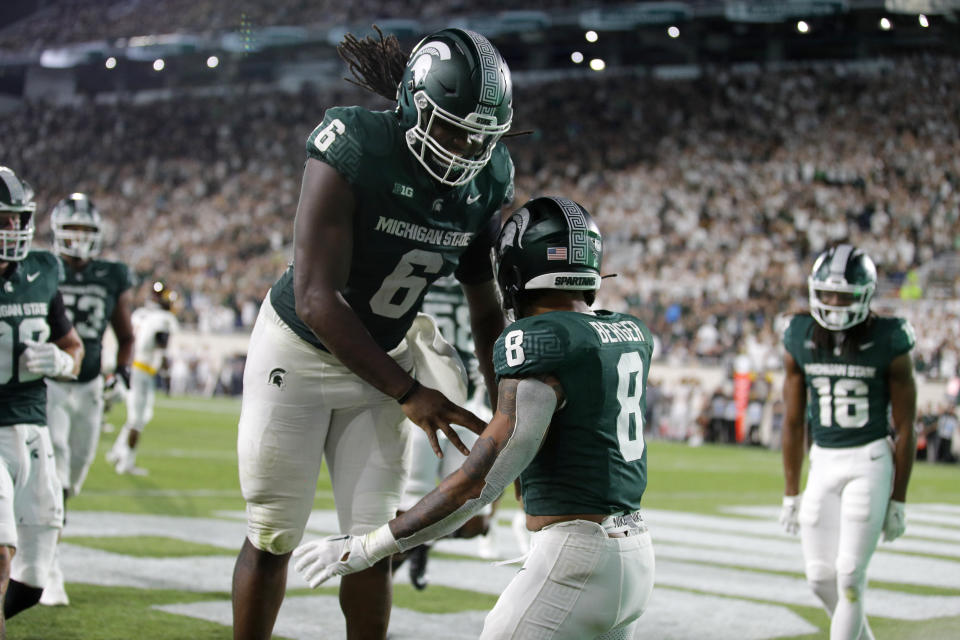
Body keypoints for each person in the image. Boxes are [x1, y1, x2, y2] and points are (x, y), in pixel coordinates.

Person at [231, 26, 513, 640]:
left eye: (480, 135)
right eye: (452, 126)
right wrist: (410, 393)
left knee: (370, 543)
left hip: (383, 361)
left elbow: (485, 302)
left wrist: (503, 405)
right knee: (276, 528)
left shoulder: (487, 180)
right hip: (299, 351)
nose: (467, 147)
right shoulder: (354, 143)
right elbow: (316, 299)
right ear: (413, 106)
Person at [294, 196, 656, 640]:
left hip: (578, 558)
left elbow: (479, 481)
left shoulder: (539, 340)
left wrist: (369, 547)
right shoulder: (629, 331)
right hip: (636, 553)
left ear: (515, 273)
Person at [779, 243, 917, 640]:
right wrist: (791, 491)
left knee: (850, 576)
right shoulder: (799, 333)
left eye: (846, 296)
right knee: (819, 577)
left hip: (869, 460)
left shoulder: (890, 339)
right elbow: (791, 420)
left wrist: (899, 499)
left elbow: (906, 426)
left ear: (866, 296)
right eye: (828, 293)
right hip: (823, 460)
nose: (836, 303)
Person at [40, 193, 135, 606]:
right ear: (58, 232)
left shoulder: (112, 274)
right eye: (72, 229)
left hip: (92, 384)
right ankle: (46, 564)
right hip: (50, 382)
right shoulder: (41, 268)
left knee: (74, 476)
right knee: (56, 473)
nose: (78, 238)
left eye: (85, 230)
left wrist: (123, 369)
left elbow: (127, 334)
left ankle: (43, 550)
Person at [0, 166, 83, 632]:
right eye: (3, 219)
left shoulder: (43, 269)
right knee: (0, 555)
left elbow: (74, 346)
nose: (13, 230)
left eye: (17, 219)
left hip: (33, 429)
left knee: (31, 580)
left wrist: (61, 361)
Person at [393, 276, 500, 590]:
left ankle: (422, 545)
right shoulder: (417, 272)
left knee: (473, 522)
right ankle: (380, 585)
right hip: (423, 401)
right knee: (406, 511)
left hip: (471, 405)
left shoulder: (485, 279)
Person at [106, 280, 177, 476]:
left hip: (131, 367)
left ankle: (116, 452)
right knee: (138, 419)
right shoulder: (163, 318)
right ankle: (125, 463)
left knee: (138, 417)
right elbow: (161, 347)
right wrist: (167, 375)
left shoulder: (140, 314)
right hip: (142, 371)